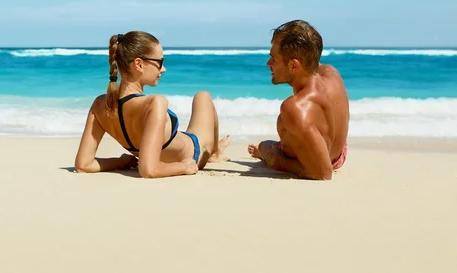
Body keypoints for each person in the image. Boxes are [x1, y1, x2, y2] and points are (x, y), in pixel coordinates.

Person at [75, 31, 230, 178]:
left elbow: (84, 164)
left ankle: (217, 150)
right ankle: (215, 153)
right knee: (202, 97)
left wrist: (120, 162)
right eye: (160, 62)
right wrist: (184, 167)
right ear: (139, 64)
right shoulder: (154, 102)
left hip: (184, 142)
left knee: (201, 99)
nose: (163, 69)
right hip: (196, 152)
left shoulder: (101, 104)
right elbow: (149, 170)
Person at [248, 20, 350, 180]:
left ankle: (264, 152)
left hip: (320, 163)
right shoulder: (331, 72)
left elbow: (323, 173)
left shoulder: (295, 107)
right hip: (339, 155)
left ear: (294, 66)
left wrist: (277, 161)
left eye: (274, 58)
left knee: (265, 146)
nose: (268, 64)